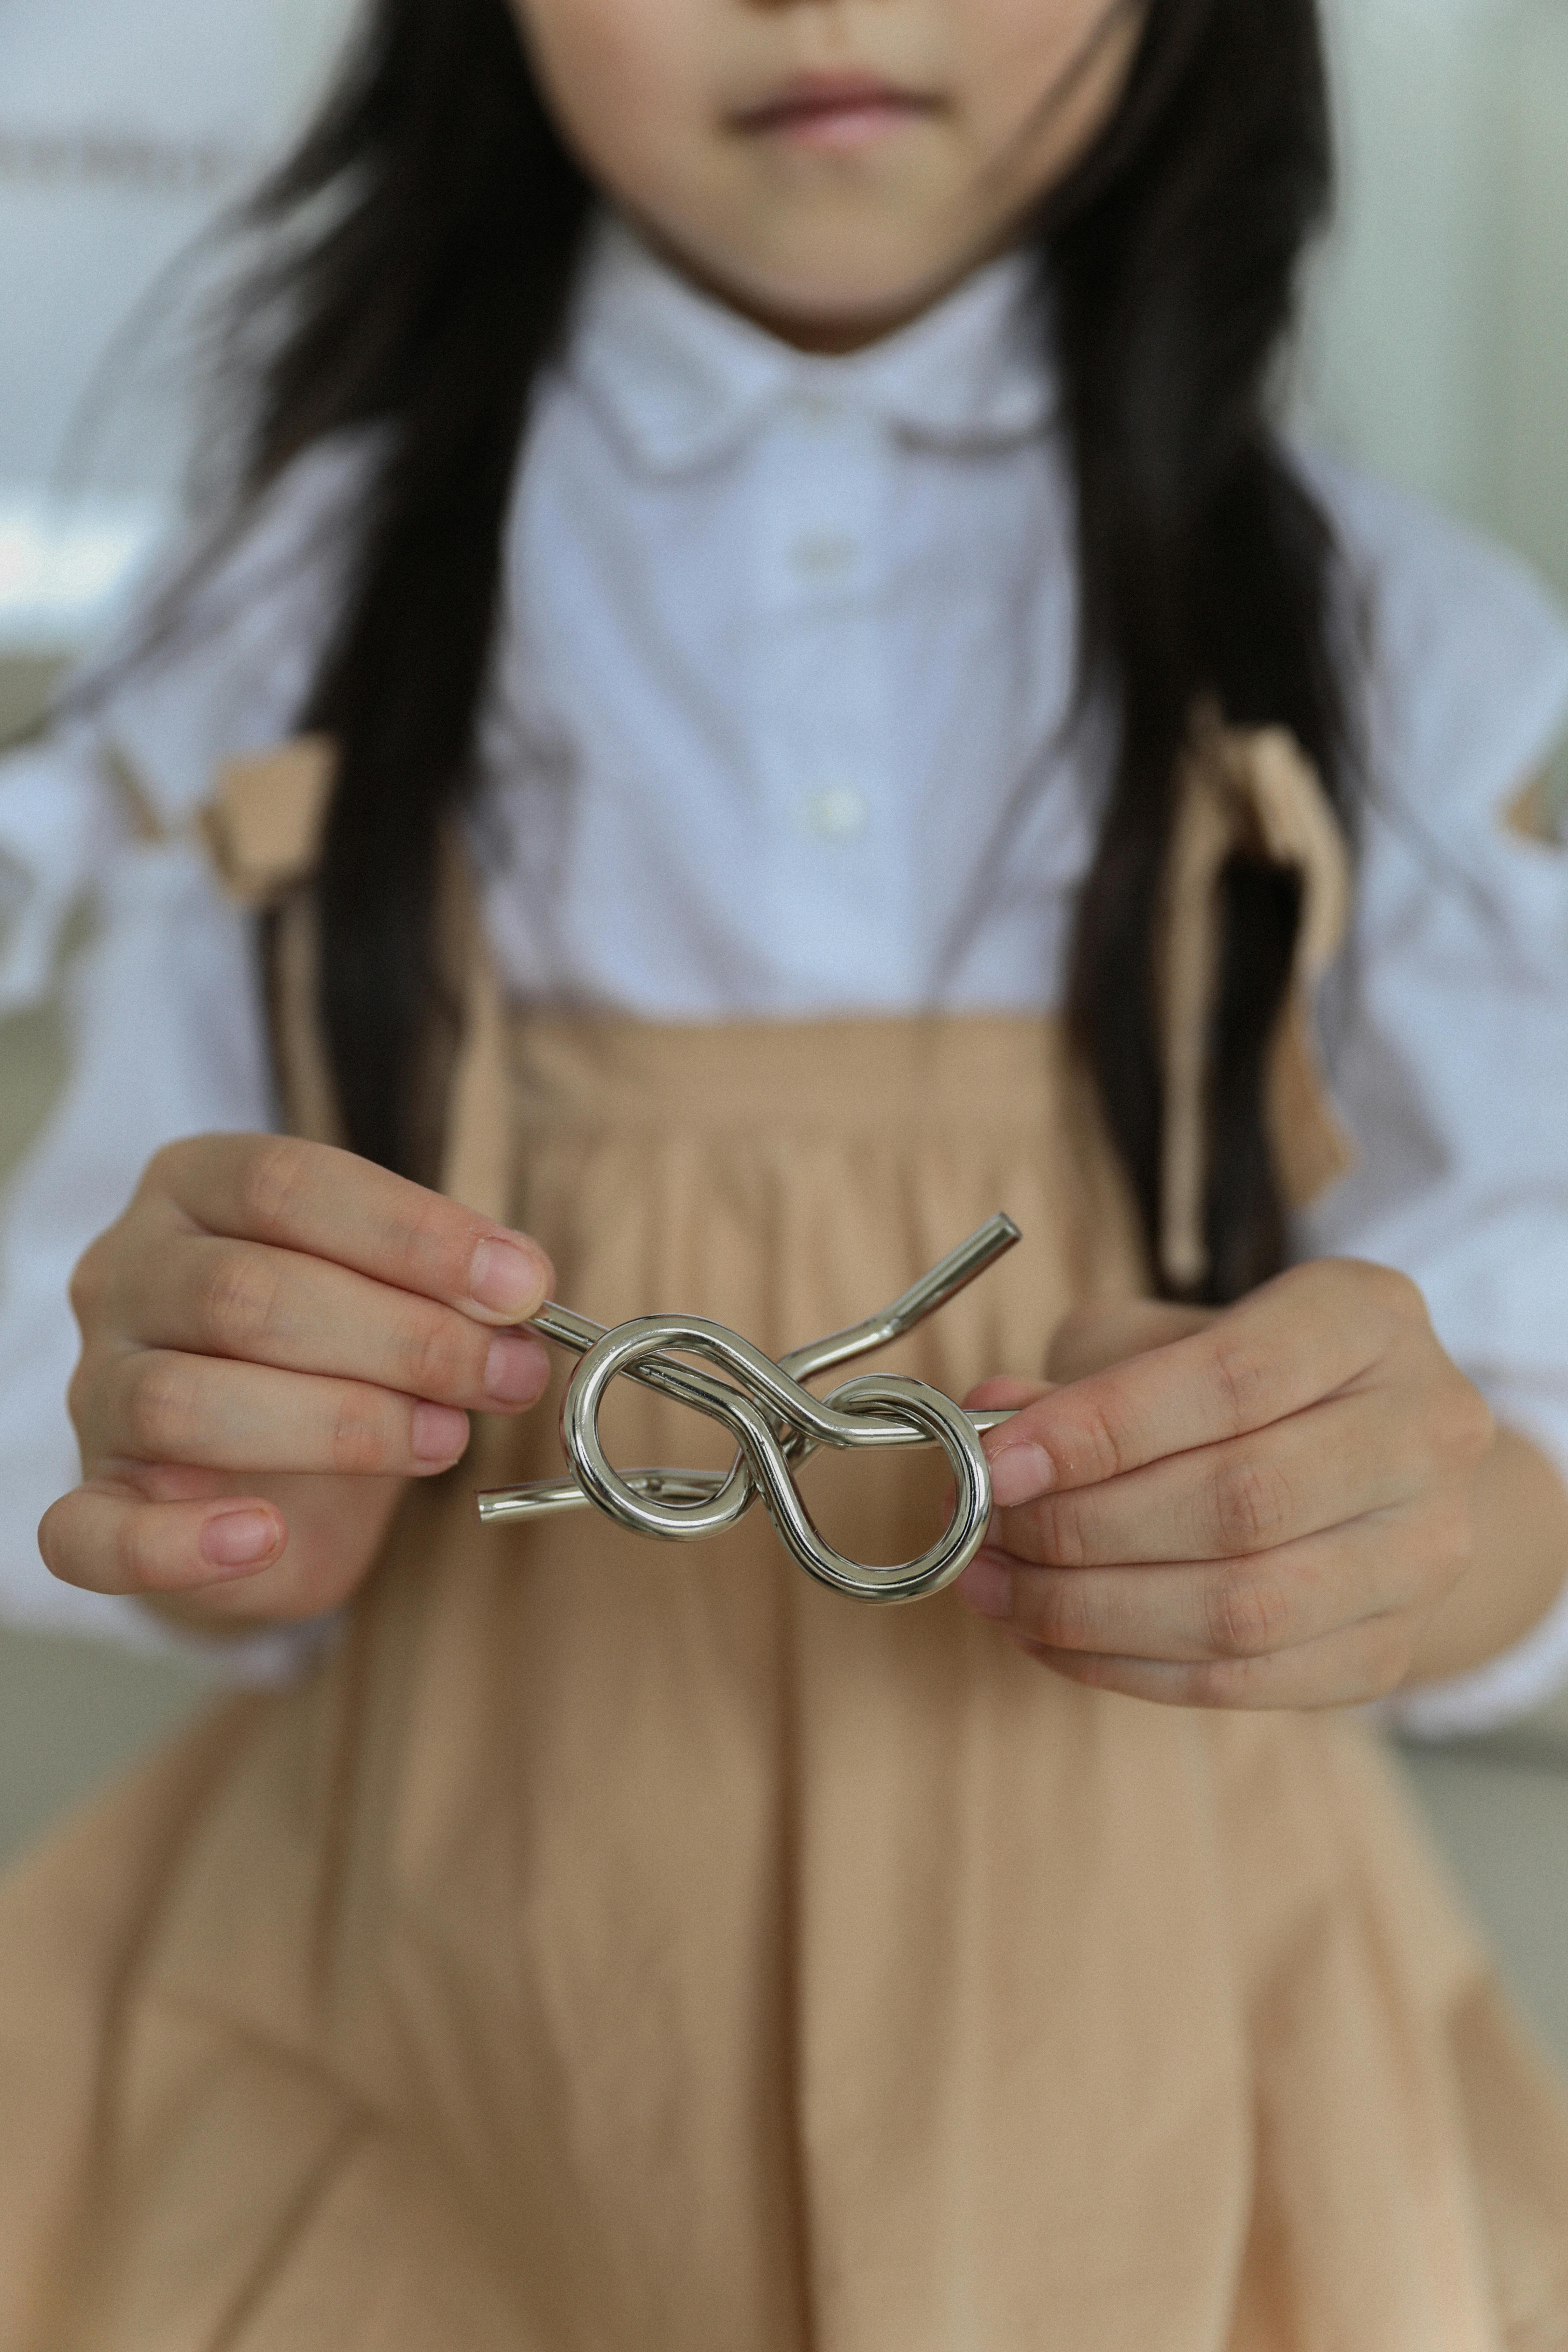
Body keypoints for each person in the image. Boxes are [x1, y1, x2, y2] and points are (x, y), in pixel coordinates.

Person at [2, 0, 1568, 2338]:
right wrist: (229, 1472)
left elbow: (1521, 1449)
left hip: (1158, 2074)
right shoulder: (277, 627)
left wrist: (1416, 1523)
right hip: (442, 2047)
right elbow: (145, 1413)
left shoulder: (1401, 653)